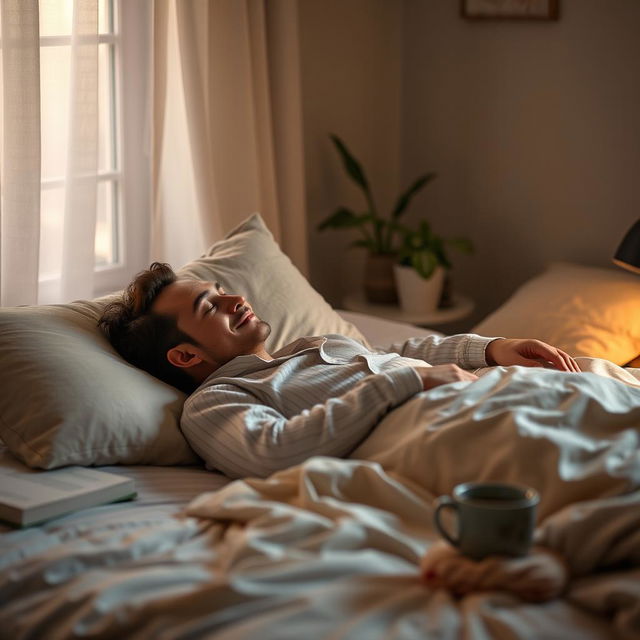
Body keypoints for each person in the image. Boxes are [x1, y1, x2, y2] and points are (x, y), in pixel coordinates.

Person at [99, 261, 582, 602]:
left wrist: (493, 348)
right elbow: (271, 454)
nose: (234, 299)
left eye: (221, 289)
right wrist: (411, 380)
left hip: (496, 390)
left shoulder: (311, 345)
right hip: (456, 423)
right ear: (185, 357)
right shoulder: (214, 402)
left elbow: (398, 351)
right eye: (211, 307)